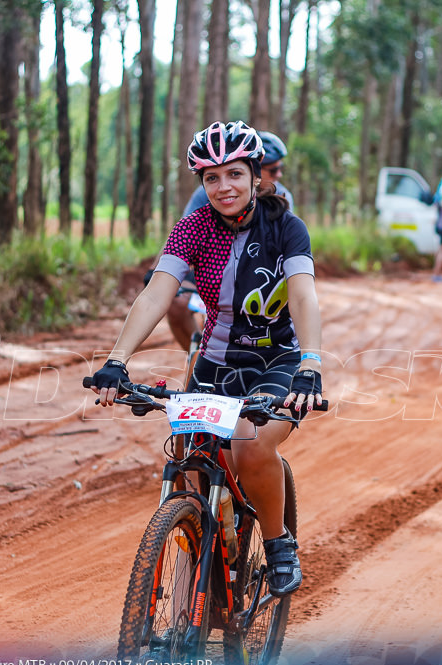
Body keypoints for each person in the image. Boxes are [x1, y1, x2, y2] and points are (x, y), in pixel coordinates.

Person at [89, 121, 322, 598]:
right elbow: (157, 294)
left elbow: (303, 296)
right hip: (214, 364)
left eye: (234, 174)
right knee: (189, 457)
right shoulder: (194, 228)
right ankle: (203, 558)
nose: (223, 187)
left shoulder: (285, 227)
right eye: (211, 178)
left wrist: (311, 365)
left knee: (249, 443)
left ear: (256, 175)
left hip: (277, 362)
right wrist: (117, 360)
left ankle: (278, 544)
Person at [166, 131, 296, 353]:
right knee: (176, 304)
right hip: (209, 266)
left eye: (235, 174)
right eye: (273, 169)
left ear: (253, 171)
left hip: (256, 272)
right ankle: (196, 354)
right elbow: (181, 235)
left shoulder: (282, 199)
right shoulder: (206, 193)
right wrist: (158, 270)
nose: (279, 174)